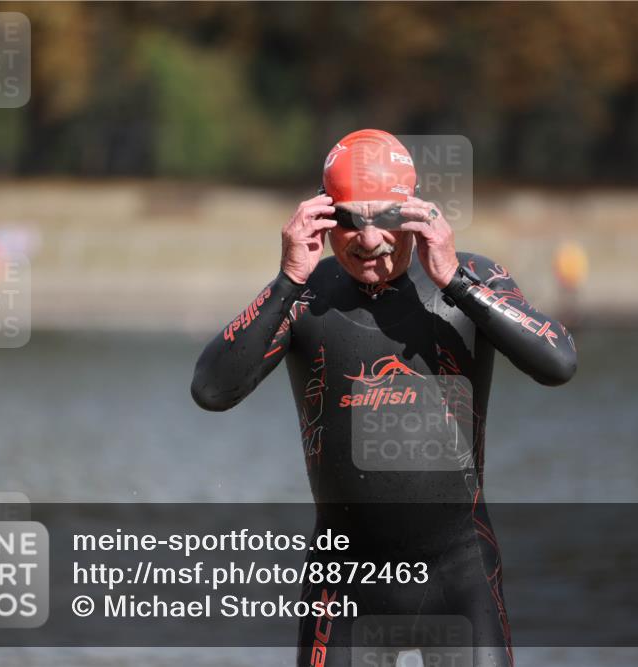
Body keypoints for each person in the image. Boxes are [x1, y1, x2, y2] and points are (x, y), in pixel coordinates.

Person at [192, 129, 577, 667]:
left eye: (387, 218)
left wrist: (455, 282)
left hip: (460, 574)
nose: (369, 239)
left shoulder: (471, 280)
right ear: (324, 220)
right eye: (350, 219)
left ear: (415, 212)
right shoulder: (305, 298)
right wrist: (285, 280)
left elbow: (559, 362)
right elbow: (211, 390)